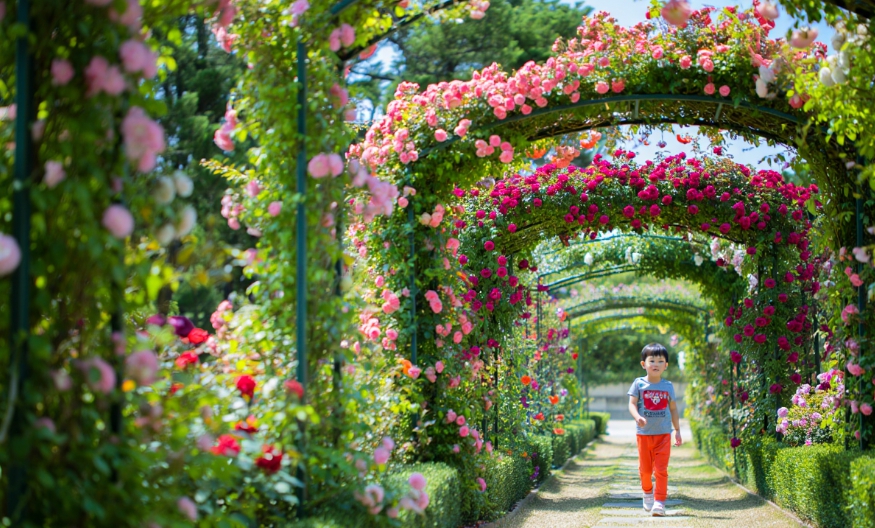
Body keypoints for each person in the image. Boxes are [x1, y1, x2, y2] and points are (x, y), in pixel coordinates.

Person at [627, 342, 682, 517]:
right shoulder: (638, 384)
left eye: (660, 361)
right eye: (652, 360)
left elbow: (673, 409)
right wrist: (638, 417)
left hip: (664, 435)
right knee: (645, 470)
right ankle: (647, 491)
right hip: (644, 435)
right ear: (644, 364)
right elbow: (632, 404)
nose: (656, 364)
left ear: (666, 365)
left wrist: (677, 430)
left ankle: (659, 501)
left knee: (661, 470)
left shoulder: (668, 386)